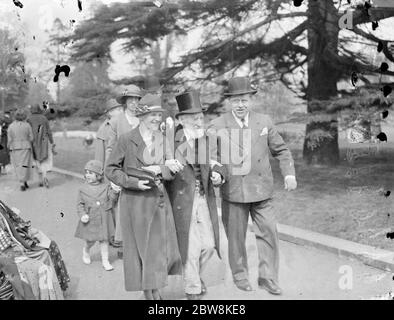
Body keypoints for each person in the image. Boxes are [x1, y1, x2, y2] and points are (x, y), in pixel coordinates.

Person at [209, 76, 297, 295]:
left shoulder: (264, 121)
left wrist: (289, 175)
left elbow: (282, 151)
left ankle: (268, 278)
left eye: (245, 100)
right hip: (234, 192)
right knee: (236, 239)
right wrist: (216, 174)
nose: (241, 105)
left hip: (262, 191)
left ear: (251, 101)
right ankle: (240, 275)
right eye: (236, 100)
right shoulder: (217, 125)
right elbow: (211, 158)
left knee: (269, 232)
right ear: (229, 102)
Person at [105, 94, 182, 300]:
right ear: (142, 115)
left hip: (158, 200)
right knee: (143, 250)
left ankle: (153, 288)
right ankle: (151, 292)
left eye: (159, 114)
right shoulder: (126, 140)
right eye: (152, 115)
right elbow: (111, 169)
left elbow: (171, 171)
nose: (156, 119)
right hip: (135, 202)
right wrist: (132, 182)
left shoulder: (163, 140)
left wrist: (163, 168)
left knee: (161, 249)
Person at [166, 90, 226, 300]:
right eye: (194, 118)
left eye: (200, 117)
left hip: (203, 199)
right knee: (190, 249)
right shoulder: (170, 141)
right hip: (182, 202)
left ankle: (194, 278)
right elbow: (162, 170)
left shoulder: (206, 139)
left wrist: (218, 175)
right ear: (182, 120)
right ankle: (192, 288)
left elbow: (218, 163)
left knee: (209, 246)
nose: (199, 121)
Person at [106, 84, 143, 253]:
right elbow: (110, 149)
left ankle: (139, 244)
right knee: (123, 208)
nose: (134, 103)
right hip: (122, 169)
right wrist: (113, 178)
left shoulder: (143, 119)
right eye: (131, 100)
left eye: (137, 99)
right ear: (125, 102)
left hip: (141, 168)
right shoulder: (116, 122)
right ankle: (125, 245)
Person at [74, 160, 119, 271]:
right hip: (91, 218)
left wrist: (115, 191)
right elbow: (79, 204)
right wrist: (82, 214)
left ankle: (105, 261)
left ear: (98, 176)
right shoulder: (82, 189)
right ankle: (86, 250)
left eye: (91, 173)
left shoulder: (106, 186)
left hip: (103, 217)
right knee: (90, 241)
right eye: (86, 172)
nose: (87, 175)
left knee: (104, 241)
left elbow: (112, 200)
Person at [27, 104, 56, 188]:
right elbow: (49, 131)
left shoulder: (29, 119)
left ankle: (40, 180)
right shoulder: (44, 118)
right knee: (44, 160)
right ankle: (44, 177)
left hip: (34, 142)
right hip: (44, 142)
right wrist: (52, 141)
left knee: (37, 161)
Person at [7, 108, 34, 191]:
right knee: (25, 165)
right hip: (26, 146)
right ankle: (25, 180)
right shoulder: (27, 125)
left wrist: (9, 146)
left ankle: (21, 182)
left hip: (15, 147)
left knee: (18, 165)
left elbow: (9, 138)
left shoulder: (11, 126)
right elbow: (32, 137)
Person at [94, 99, 123, 166]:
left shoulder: (123, 124)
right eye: (119, 110)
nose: (122, 112)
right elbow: (99, 156)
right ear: (110, 113)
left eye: (122, 109)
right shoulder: (103, 129)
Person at [0, 108, 13, 174]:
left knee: (3, 151)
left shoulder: (2, 119)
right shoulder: (10, 119)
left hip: (3, 137)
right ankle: (4, 168)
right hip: (6, 137)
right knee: (6, 151)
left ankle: (3, 168)